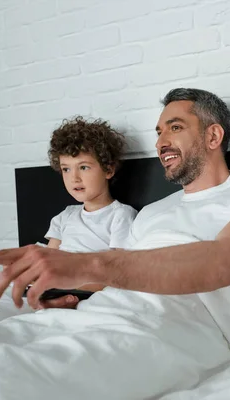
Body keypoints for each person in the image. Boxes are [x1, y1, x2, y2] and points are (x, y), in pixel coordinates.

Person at [0, 88, 230, 325]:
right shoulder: (152, 212)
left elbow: (222, 263)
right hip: (108, 317)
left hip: (186, 326)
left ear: (213, 136)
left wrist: (87, 265)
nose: (160, 142)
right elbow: (121, 283)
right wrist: (64, 300)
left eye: (175, 127)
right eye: (159, 132)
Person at [40, 116, 137, 307]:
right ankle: (55, 298)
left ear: (108, 170)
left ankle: (65, 298)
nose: (74, 178)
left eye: (83, 167)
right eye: (66, 169)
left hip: (91, 280)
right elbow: (49, 257)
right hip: (59, 279)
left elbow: (116, 268)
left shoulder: (121, 215)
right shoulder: (65, 215)